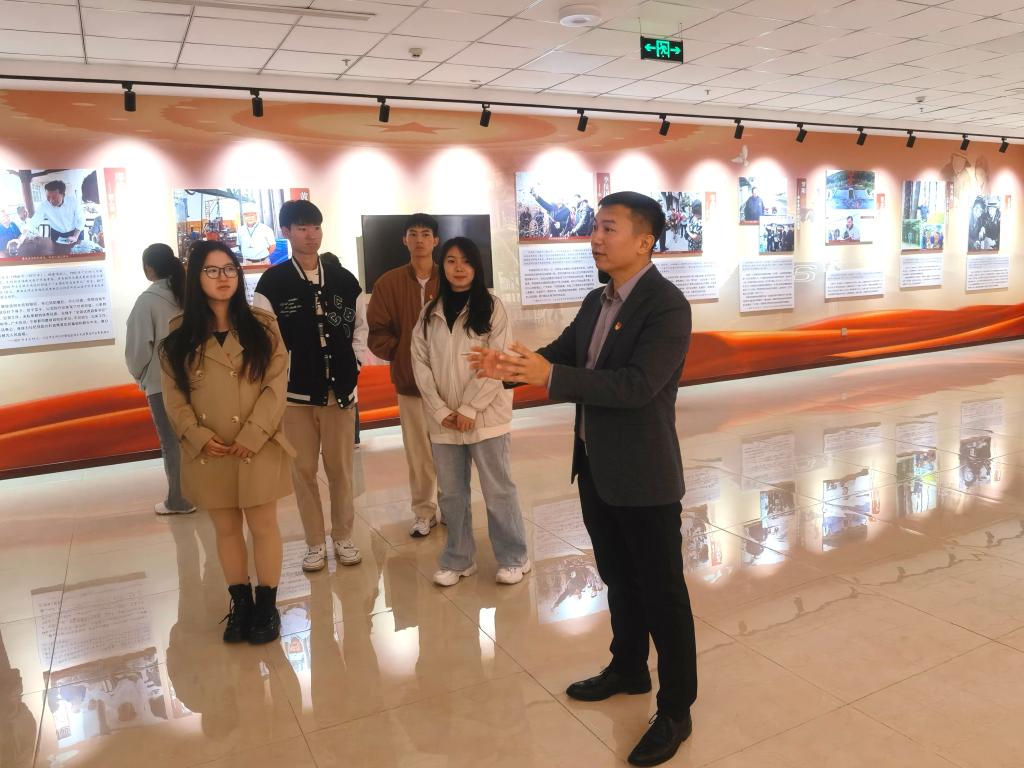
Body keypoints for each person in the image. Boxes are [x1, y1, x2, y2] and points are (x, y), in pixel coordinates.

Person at [470, 191, 696, 767]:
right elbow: (565, 354)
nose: (595, 238)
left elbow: (635, 385)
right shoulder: (599, 299)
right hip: (596, 467)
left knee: (663, 594)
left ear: (645, 241)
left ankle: (676, 709)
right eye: (595, 226)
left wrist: (549, 374)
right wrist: (512, 368)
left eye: (609, 228)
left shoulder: (667, 306)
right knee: (619, 578)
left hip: (644, 475)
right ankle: (628, 668)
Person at [160, 240, 293, 645]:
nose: (223, 278)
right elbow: (173, 397)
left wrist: (254, 433)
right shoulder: (179, 334)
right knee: (226, 530)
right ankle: (241, 604)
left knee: (264, 527)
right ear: (195, 278)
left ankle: (266, 606)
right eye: (212, 270)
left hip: (259, 445)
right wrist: (198, 436)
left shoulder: (262, 326)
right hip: (210, 450)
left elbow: (276, 385)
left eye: (230, 269)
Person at [253, 200, 367, 572]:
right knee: (302, 473)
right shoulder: (272, 283)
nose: (311, 235)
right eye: (302, 228)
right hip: (295, 398)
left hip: (340, 394)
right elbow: (265, 341)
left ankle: (343, 536)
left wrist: (355, 364)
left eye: (315, 227)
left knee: (341, 471)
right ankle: (315, 543)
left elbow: (361, 328)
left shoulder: (343, 279)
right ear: (286, 232)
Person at [411, 237, 530, 587]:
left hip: (486, 417)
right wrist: (439, 409)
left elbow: (499, 361)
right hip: (444, 421)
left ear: (477, 267)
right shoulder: (429, 313)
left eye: (466, 261)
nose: (458, 268)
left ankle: (514, 557)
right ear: (442, 267)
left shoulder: (492, 307)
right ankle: (459, 559)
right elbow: (419, 363)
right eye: (451, 261)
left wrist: (469, 408)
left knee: (497, 490)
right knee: (451, 494)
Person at [366, 213, 441, 538]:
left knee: (451, 450)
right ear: (404, 240)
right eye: (413, 233)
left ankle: (452, 507)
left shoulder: (450, 278)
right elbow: (377, 332)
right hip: (410, 384)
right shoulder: (388, 283)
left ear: (435, 240)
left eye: (426, 234)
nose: (420, 239)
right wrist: (402, 353)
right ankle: (424, 512)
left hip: (449, 385)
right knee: (418, 453)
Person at [125, 243, 195, 517]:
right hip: (197, 379)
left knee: (171, 441)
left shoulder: (147, 301)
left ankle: (179, 499)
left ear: (149, 269)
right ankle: (204, 492)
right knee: (194, 436)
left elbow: (138, 350)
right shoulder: (189, 295)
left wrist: (140, 375)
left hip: (161, 382)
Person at [24, 180, 86, 246]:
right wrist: (21, 238)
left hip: (75, 231)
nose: (51, 201)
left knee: (77, 250)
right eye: (48, 197)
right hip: (56, 233)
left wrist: (75, 236)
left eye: (54, 197)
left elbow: (81, 220)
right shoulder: (44, 206)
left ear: (63, 195)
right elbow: (32, 223)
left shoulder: (73, 202)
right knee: (56, 251)